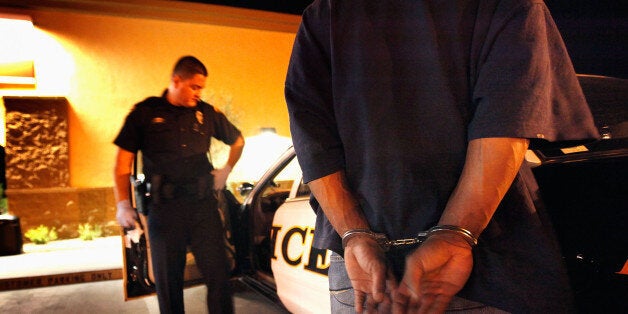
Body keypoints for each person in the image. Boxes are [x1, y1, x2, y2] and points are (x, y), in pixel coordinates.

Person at [285, 1, 599, 313]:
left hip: (362, 268)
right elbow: (507, 120)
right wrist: (455, 233)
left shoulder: (326, 13)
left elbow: (312, 136)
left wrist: (354, 234)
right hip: (486, 263)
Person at [113, 56, 244, 314]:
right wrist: (123, 204)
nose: (199, 93)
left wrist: (226, 169)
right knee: (168, 284)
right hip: (165, 210)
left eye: (201, 88)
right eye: (194, 87)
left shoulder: (206, 113)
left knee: (219, 277)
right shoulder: (145, 113)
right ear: (176, 81)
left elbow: (238, 140)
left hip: (203, 207)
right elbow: (122, 164)